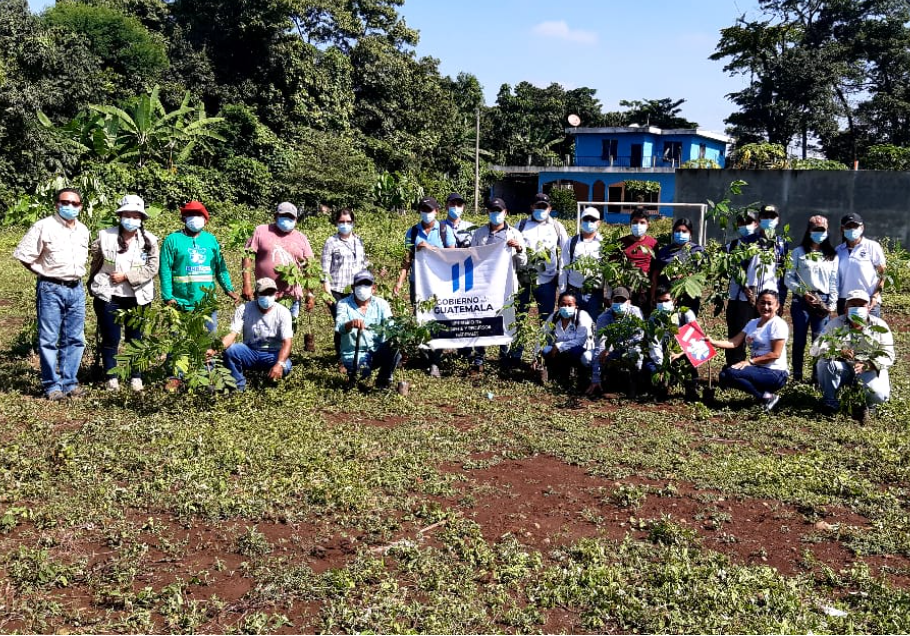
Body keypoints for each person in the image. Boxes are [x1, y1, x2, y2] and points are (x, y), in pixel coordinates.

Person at [13, 187, 90, 400]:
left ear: (81, 206)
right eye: (65, 202)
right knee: (48, 339)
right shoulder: (43, 226)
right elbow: (24, 255)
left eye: (75, 203)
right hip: (51, 289)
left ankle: (69, 382)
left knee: (75, 338)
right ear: (57, 204)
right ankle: (51, 386)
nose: (70, 207)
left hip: (76, 289)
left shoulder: (83, 230)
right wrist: (44, 273)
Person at [88, 195, 159, 392]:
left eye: (135, 215)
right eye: (126, 215)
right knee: (111, 338)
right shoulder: (105, 236)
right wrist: (91, 284)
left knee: (135, 339)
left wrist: (126, 276)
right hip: (109, 296)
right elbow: (96, 262)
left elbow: (153, 268)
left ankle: (136, 376)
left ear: (141, 218)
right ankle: (112, 377)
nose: (131, 219)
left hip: (139, 297)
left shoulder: (150, 240)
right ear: (120, 216)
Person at [393, 196, 455, 378]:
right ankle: (426, 357)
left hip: (439, 284)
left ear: (437, 211)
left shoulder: (445, 230)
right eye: (423, 210)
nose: (426, 213)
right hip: (418, 284)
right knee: (420, 319)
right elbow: (406, 261)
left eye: (430, 210)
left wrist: (430, 248)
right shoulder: (412, 232)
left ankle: (435, 361)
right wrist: (399, 282)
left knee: (438, 321)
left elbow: (454, 257)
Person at [810, 289, 893, 420]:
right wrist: (838, 352)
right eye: (853, 305)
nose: (857, 308)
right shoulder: (835, 324)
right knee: (824, 362)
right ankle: (830, 402)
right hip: (844, 368)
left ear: (869, 307)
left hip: (869, 370)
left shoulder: (880, 326)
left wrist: (870, 364)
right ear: (845, 308)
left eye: (861, 305)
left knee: (879, 396)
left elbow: (888, 355)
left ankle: (866, 404)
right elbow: (815, 349)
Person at [159, 200, 239, 330]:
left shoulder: (211, 240)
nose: (195, 218)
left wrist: (229, 290)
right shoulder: (172, 240)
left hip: (206, 303)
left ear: (205, 219)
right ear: (184, 218)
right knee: (179, 345)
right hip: (180, 303)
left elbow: (220, 267)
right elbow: (165, 270)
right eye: (191, 214)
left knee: (207, 342)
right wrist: (168, 297)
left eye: (199, 214)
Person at [470, 197, 527, 374]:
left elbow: (523, 263)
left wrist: (518, 249)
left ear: (506, 213)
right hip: (484, 286)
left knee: (505, 319)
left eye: (499, 211)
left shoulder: (515, 234)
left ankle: (504, 358)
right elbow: (471, 258)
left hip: (505, 287)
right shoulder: (479, 234)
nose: (496, 214)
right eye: (493, 211)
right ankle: (479, 359)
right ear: (488, 213)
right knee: (482, 320)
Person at [708, 289, 789, 411]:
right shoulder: (753, 323)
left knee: (731, 373)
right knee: (724, 375)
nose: (765, 307)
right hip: (759, 369)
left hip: (776, 372)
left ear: (777, 306)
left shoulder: (777, 324)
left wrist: (750, 362)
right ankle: (765, 395)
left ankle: (766, 397)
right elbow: (734, 342)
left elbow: (775, 354)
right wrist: (713, 342)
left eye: (769, 303)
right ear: (757, 304)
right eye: (762, 303)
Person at [784, 215, 839, 382]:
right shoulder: (798, 253)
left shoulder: (831, 255)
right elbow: (788, 277)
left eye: (823, 229)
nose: (820, 233)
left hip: (822, 300)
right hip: (802, 301)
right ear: (809, 231)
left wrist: (832, 305)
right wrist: (803, 292)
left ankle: (817, 377)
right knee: (799, 339)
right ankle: (797, 377)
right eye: (816, 229)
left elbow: (834, 281)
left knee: (819, 340)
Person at [241, 201, 315, 323]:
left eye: (291, 217)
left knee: (286, 336)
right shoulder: (261, 231)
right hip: (265, 294)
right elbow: (247, 256)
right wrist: (246, 284)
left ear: (296, 220)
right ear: (275, 216)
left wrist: (310, 294)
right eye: (284, 216)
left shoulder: (301, 238)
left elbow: (309, 267)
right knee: (262, 333)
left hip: (291, 297)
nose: (287, 219)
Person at [218, 277, 293, 391]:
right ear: (256, 294)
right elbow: (231, 334)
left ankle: (271, 385)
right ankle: (238, 386)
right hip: (250, 350)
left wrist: (279, 364)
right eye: (263, 293)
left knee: (285, 366)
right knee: (231, 351)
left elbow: (287, 342)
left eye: (270, 292)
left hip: (273, 353)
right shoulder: (244, 309)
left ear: (276, 294)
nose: (267, 296)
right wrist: (216, 349)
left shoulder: (283, 312)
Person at [335, 270, 401, 389]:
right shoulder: (343, 304)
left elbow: (391, 327)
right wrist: (350, 324)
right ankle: (355, 373)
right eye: (359, 284)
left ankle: (384, 378)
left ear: (373, 288)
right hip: (353, 353)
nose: (362, 288)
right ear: (353, 287)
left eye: (366, 284)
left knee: (395, 345)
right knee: (362, 374)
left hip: (376, 350)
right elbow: (340, 327)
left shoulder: (381, 304)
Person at [321, 208, 369, 355]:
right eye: (342, 222)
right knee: (341, 322)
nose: (345, 224)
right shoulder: (331, 242)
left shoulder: (358, 241)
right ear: (336, 222)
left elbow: (363, 264)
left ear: (353, 223)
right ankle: (342, 356)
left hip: (355, 290)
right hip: (336, 290)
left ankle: (354, 352)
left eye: (348, 221)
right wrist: (327, 292)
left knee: (355, 320)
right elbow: (324, 269)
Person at [517, 192, 569, 320]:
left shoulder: (557, 227)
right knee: (519, 319)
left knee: (547, 321)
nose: (541, 210)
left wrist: (563, 281)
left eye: (544, 207)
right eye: (538, 206)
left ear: (549, 208)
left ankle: (547, 341)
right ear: (532, 207)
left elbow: (566, 253)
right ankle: (519, 339)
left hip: (548, 282)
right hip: (524, 281)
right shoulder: (521, 225)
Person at [586, 287, 645, 396]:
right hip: (613, 351)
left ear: (629, 302)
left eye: (622, 301)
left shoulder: (635, 313)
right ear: (610, 302)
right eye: (616, 301)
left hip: (630, 348)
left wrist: (612, 347)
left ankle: (636, 386)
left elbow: (637, 339)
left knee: (636, 354)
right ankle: (602, 384)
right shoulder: (603, 318)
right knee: (599, 355)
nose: (619, 303)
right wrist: (595, 377)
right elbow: (600, 345)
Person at [643, 285, 698, 400]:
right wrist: (661, 366)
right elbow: (654, 345)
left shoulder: (685, 314)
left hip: (683, 350)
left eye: (666, 300)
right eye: (660, 301)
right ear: (655, 301)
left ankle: (691, 388)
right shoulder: (654, 319)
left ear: (675, 300)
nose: (663, 304)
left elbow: (695, 339)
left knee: (690, 362)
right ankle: (661, 386)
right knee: (649, 365)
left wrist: (679, 354)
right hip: (664, 352)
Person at [722, 210, 762, 367]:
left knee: (755, 335)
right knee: (734, 333)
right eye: (741, 223)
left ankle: (754, 367)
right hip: (735, 297)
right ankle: (733, 366)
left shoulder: (762, 246)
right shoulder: (731, 246)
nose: (745, 226)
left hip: (755, 299)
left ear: (757, 224)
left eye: (749, 222)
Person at [534, 290, 595, 387]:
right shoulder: (555, 316)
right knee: (546, 350)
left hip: (581, 349)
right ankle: (556, 373)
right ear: (558, 305)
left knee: (574, 352)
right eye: (563, 304)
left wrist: (559, 346)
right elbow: (542, 334)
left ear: (576, 306)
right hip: (560, 350)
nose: (566, 307)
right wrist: (536, 355)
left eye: (570, 305)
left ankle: (581, 374)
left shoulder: (582, 316)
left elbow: (581, 340)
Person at [649, 217, 705, 315]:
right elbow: (655, 275)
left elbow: (701, 273)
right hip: (665, 298)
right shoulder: (664, 251)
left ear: (690, 233)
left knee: (686, 324)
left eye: (684, 231)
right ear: (673, 232)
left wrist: (685, 276)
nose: (680, 233)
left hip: (688, 296)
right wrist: (653, 295)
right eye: (677, 231)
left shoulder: (697, 251)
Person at [559, 207, 605, 320]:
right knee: (573, 325)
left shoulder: (603, 244)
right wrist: (562, 292)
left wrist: (608, 295)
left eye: (592, 220)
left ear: (598, 223)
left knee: (592, 326)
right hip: (574, 292)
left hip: (595, 294)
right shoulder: (572, 242)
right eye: (586, 219)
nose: (589, 222)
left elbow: (607, 271)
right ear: (581, 221)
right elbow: (563, 267)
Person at [835, 213, 885, 317]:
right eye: (848, 227)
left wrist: (875, 297)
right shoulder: (838, 250)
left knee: (870, 332)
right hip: (845, 301)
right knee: (846, 332)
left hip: (867, 300)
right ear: (842, 229)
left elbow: (883, 274)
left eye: (855, 226)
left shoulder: (872, 246)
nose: (852, 229)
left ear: (862, 228)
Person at [618, 208, 658, 312]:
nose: (638, 225)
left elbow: (655, 272)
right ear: (630, 224)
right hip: (626, 290)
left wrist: (653, 295)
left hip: (645, 290)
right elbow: (614, 269)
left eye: (642, 222)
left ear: (648, 225)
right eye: (635, 222)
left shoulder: (653, 243)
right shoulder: (620, 243)